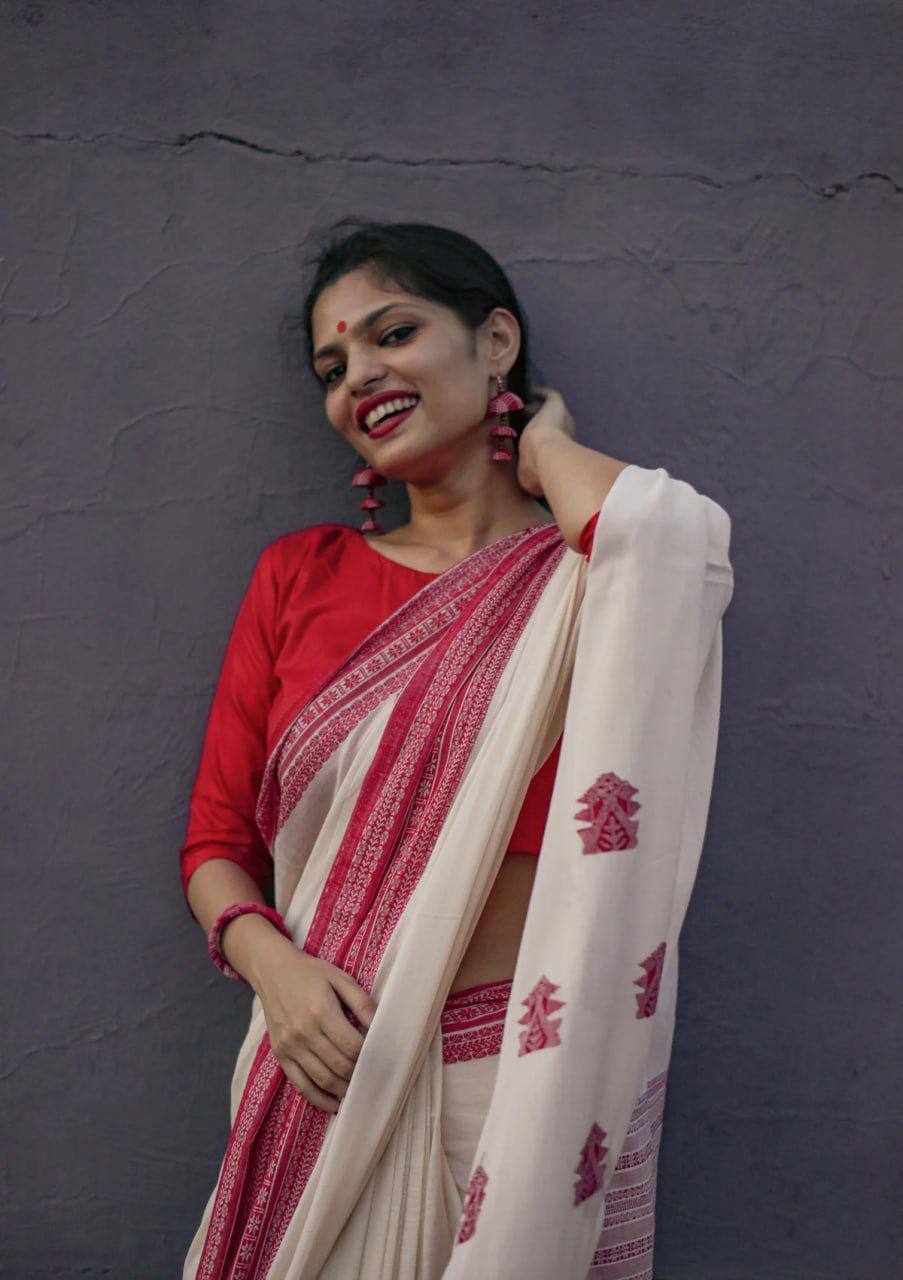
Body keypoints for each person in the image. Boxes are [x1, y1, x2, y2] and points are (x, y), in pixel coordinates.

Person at [180, 220, 735, 1280]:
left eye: (394, 334)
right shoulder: (302, 575)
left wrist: (547, 445)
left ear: (496, 343)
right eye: (333, 368)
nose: (359, 378)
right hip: (334, 1061)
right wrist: (277, 973)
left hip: (537, 1071)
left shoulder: (584, 571)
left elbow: (674, 548)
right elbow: (216, 843)